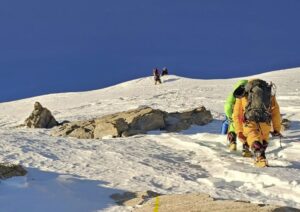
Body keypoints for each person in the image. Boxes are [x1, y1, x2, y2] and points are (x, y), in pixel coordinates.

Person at [233, 79, 281, 167]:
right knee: (262, 143)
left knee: (254, 141)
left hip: (249, 122)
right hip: (265, 123)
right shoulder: (268, 91)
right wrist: (277, 128)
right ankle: (260, 157)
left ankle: (260, 158)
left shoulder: (243, 92)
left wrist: (239, 131)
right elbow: (275, 112)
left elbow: (236, 114)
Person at [224, 80, 251, 156]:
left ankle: (233, 143)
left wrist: (229, 116)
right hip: (247, 116)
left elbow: (228, 106)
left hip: (235, 115)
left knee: (232, 128)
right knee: (246, 131)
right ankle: (246, 149)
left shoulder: (235, 93)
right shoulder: (250, 93)